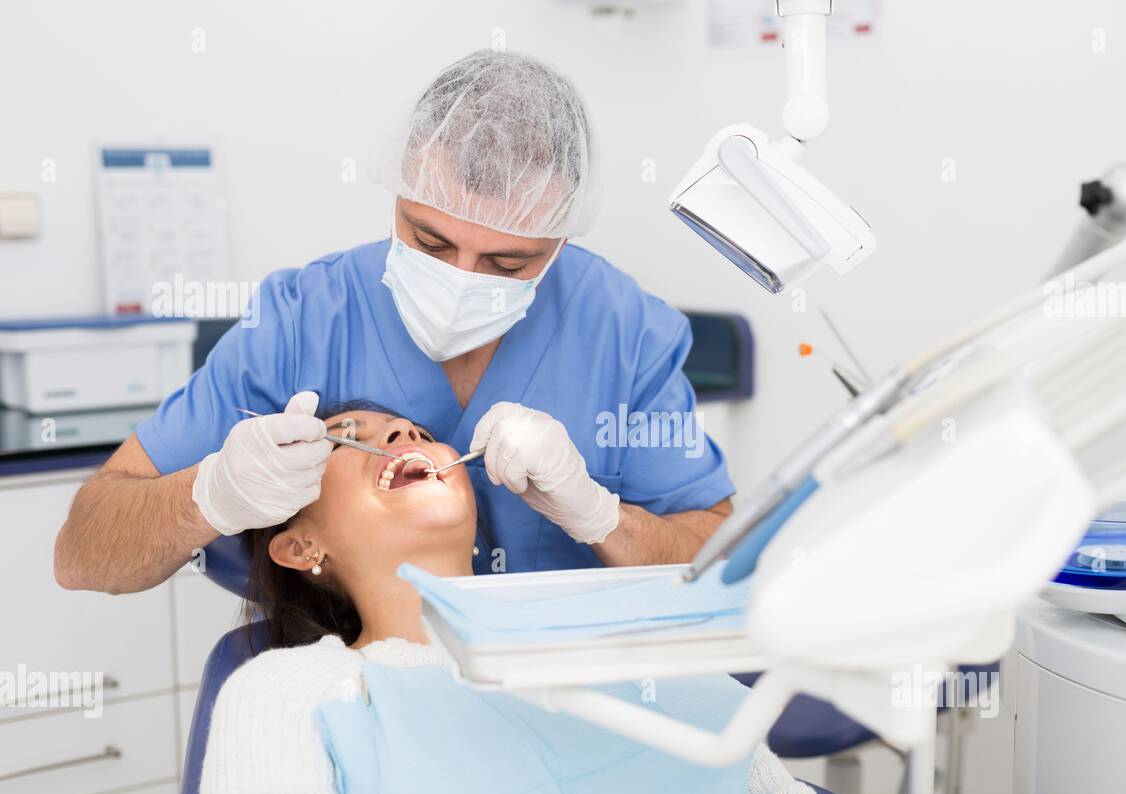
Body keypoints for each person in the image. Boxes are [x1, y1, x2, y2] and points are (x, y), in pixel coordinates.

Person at [54, 49, 733, 594]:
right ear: (401, 186)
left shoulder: (624, 331)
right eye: (431, 243)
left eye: (506, 262)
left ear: (560, 241)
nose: (462, 278)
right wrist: (210, 497)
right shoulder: (301, 322)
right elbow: (82, 555)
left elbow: (720, 566)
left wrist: (600, 517)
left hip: (574, 701)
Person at [198, 404, 849, 794]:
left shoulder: (625, 640)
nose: (401, 432)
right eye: (350, 437)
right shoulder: (285, 692)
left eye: (419, 431)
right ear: (299, 544)